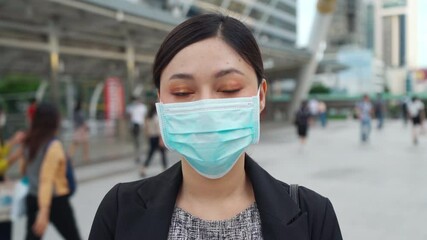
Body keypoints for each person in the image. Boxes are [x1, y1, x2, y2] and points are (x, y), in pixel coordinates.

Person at [89, 14, 342, 240]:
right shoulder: (119, 210)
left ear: (260, 95)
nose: (206, 109)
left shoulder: (314, 217)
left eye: (229, 88)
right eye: (182, 91)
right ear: (160, 101)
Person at [12, 103, 81, 240]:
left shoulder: (29, 142)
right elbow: (46, 179)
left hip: (32, 197)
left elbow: (23, 170)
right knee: (73, 237)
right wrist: (44, 210)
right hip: (55, 201)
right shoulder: (53, 145)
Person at [139, 104, 167, 177]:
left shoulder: (148, 117)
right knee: (163, 154)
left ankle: (144, 169)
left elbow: (146, 128)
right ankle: (165, 169)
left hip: (151, 137)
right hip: (157, 137)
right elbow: (159, 129)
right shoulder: (156, 117)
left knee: (150, 153)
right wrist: (161, 139)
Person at [126, 97, 147, 163]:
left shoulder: (142, 107)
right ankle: (137, 156)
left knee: (139, 141)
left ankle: (140, 155)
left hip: (140, 125)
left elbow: (144, 116)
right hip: (134, 125)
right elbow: (129, 116)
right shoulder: (131, 107)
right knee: (135, 142)